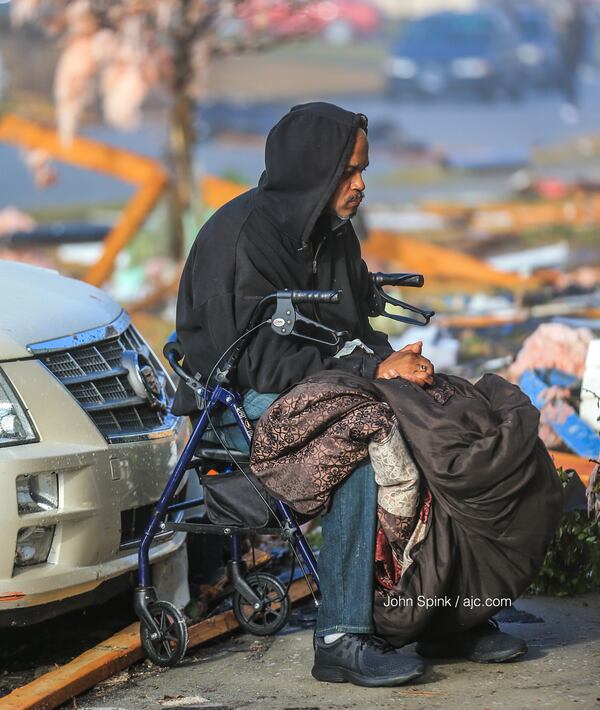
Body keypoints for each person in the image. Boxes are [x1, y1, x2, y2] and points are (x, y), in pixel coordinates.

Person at [173, 102, 526, 687]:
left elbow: (354, 327)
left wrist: (396, 363)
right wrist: (372, 368)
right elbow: (260, 362)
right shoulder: (240, 241)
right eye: (350, 171)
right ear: (314, 171)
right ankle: (340, 637)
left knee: (445, 419)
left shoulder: (332, 232)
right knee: (357, 449)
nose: (361, 184)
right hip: (243, 397)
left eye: (363, 169)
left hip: (323, 382)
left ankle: (439, 614)